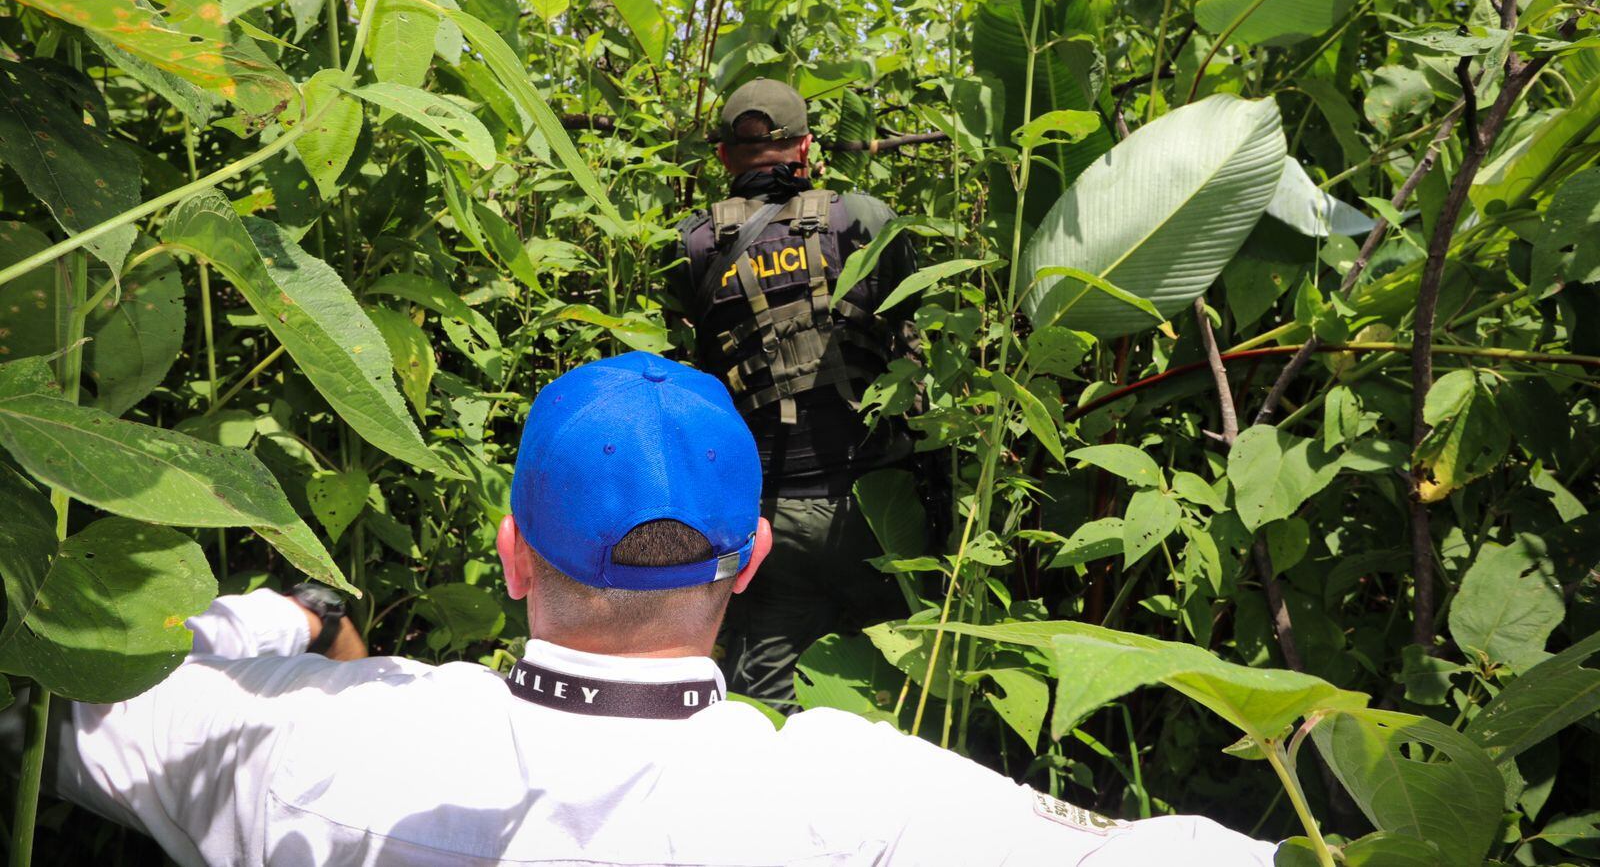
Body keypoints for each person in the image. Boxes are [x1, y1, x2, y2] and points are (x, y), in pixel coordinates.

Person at [10, 352, 1277, 865]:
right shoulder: (861, 802)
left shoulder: (314, 746)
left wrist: (285, 618)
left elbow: (66, 691)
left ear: (510, 553)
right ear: (748, 560)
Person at [662, 78, 922, 706]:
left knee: (766, 704)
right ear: (805, 148)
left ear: (724, 156)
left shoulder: (693, 245)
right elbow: (919, 333)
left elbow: (687, 379)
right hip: (879, 503)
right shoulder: (862, 219)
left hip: (769, 513)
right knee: (895, 686)